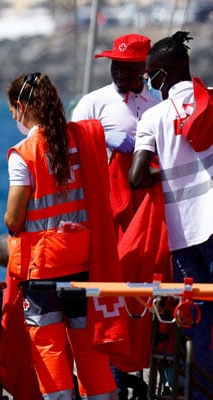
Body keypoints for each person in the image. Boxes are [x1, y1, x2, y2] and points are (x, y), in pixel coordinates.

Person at [2, 72, 128, 399]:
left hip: (42, 267)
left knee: (48, 346)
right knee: (88, 344)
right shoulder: (81, 140)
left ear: (20, 108)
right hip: (84, 261)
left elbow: (14, 218)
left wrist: (10, 222)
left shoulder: (23, 153)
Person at [71, 32, 161, 399]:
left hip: (150, 213)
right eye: (115, 65)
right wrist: (103, 141)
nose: (120, 72)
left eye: (128, 66)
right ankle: (109, 371)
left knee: (144, 290)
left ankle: (141, 365)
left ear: (144, 67)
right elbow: (70, 149)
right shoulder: (93, 103)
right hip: (106, 212)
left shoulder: (157, 102)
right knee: (108, 290)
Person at [129, 31, 213, 400]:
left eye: (149, 76)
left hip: (183, 236)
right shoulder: (210, 101)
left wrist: (161, 175)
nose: (148, 82)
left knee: (198, 321)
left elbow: (135, 177)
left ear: (161, 76)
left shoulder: (153, 117)